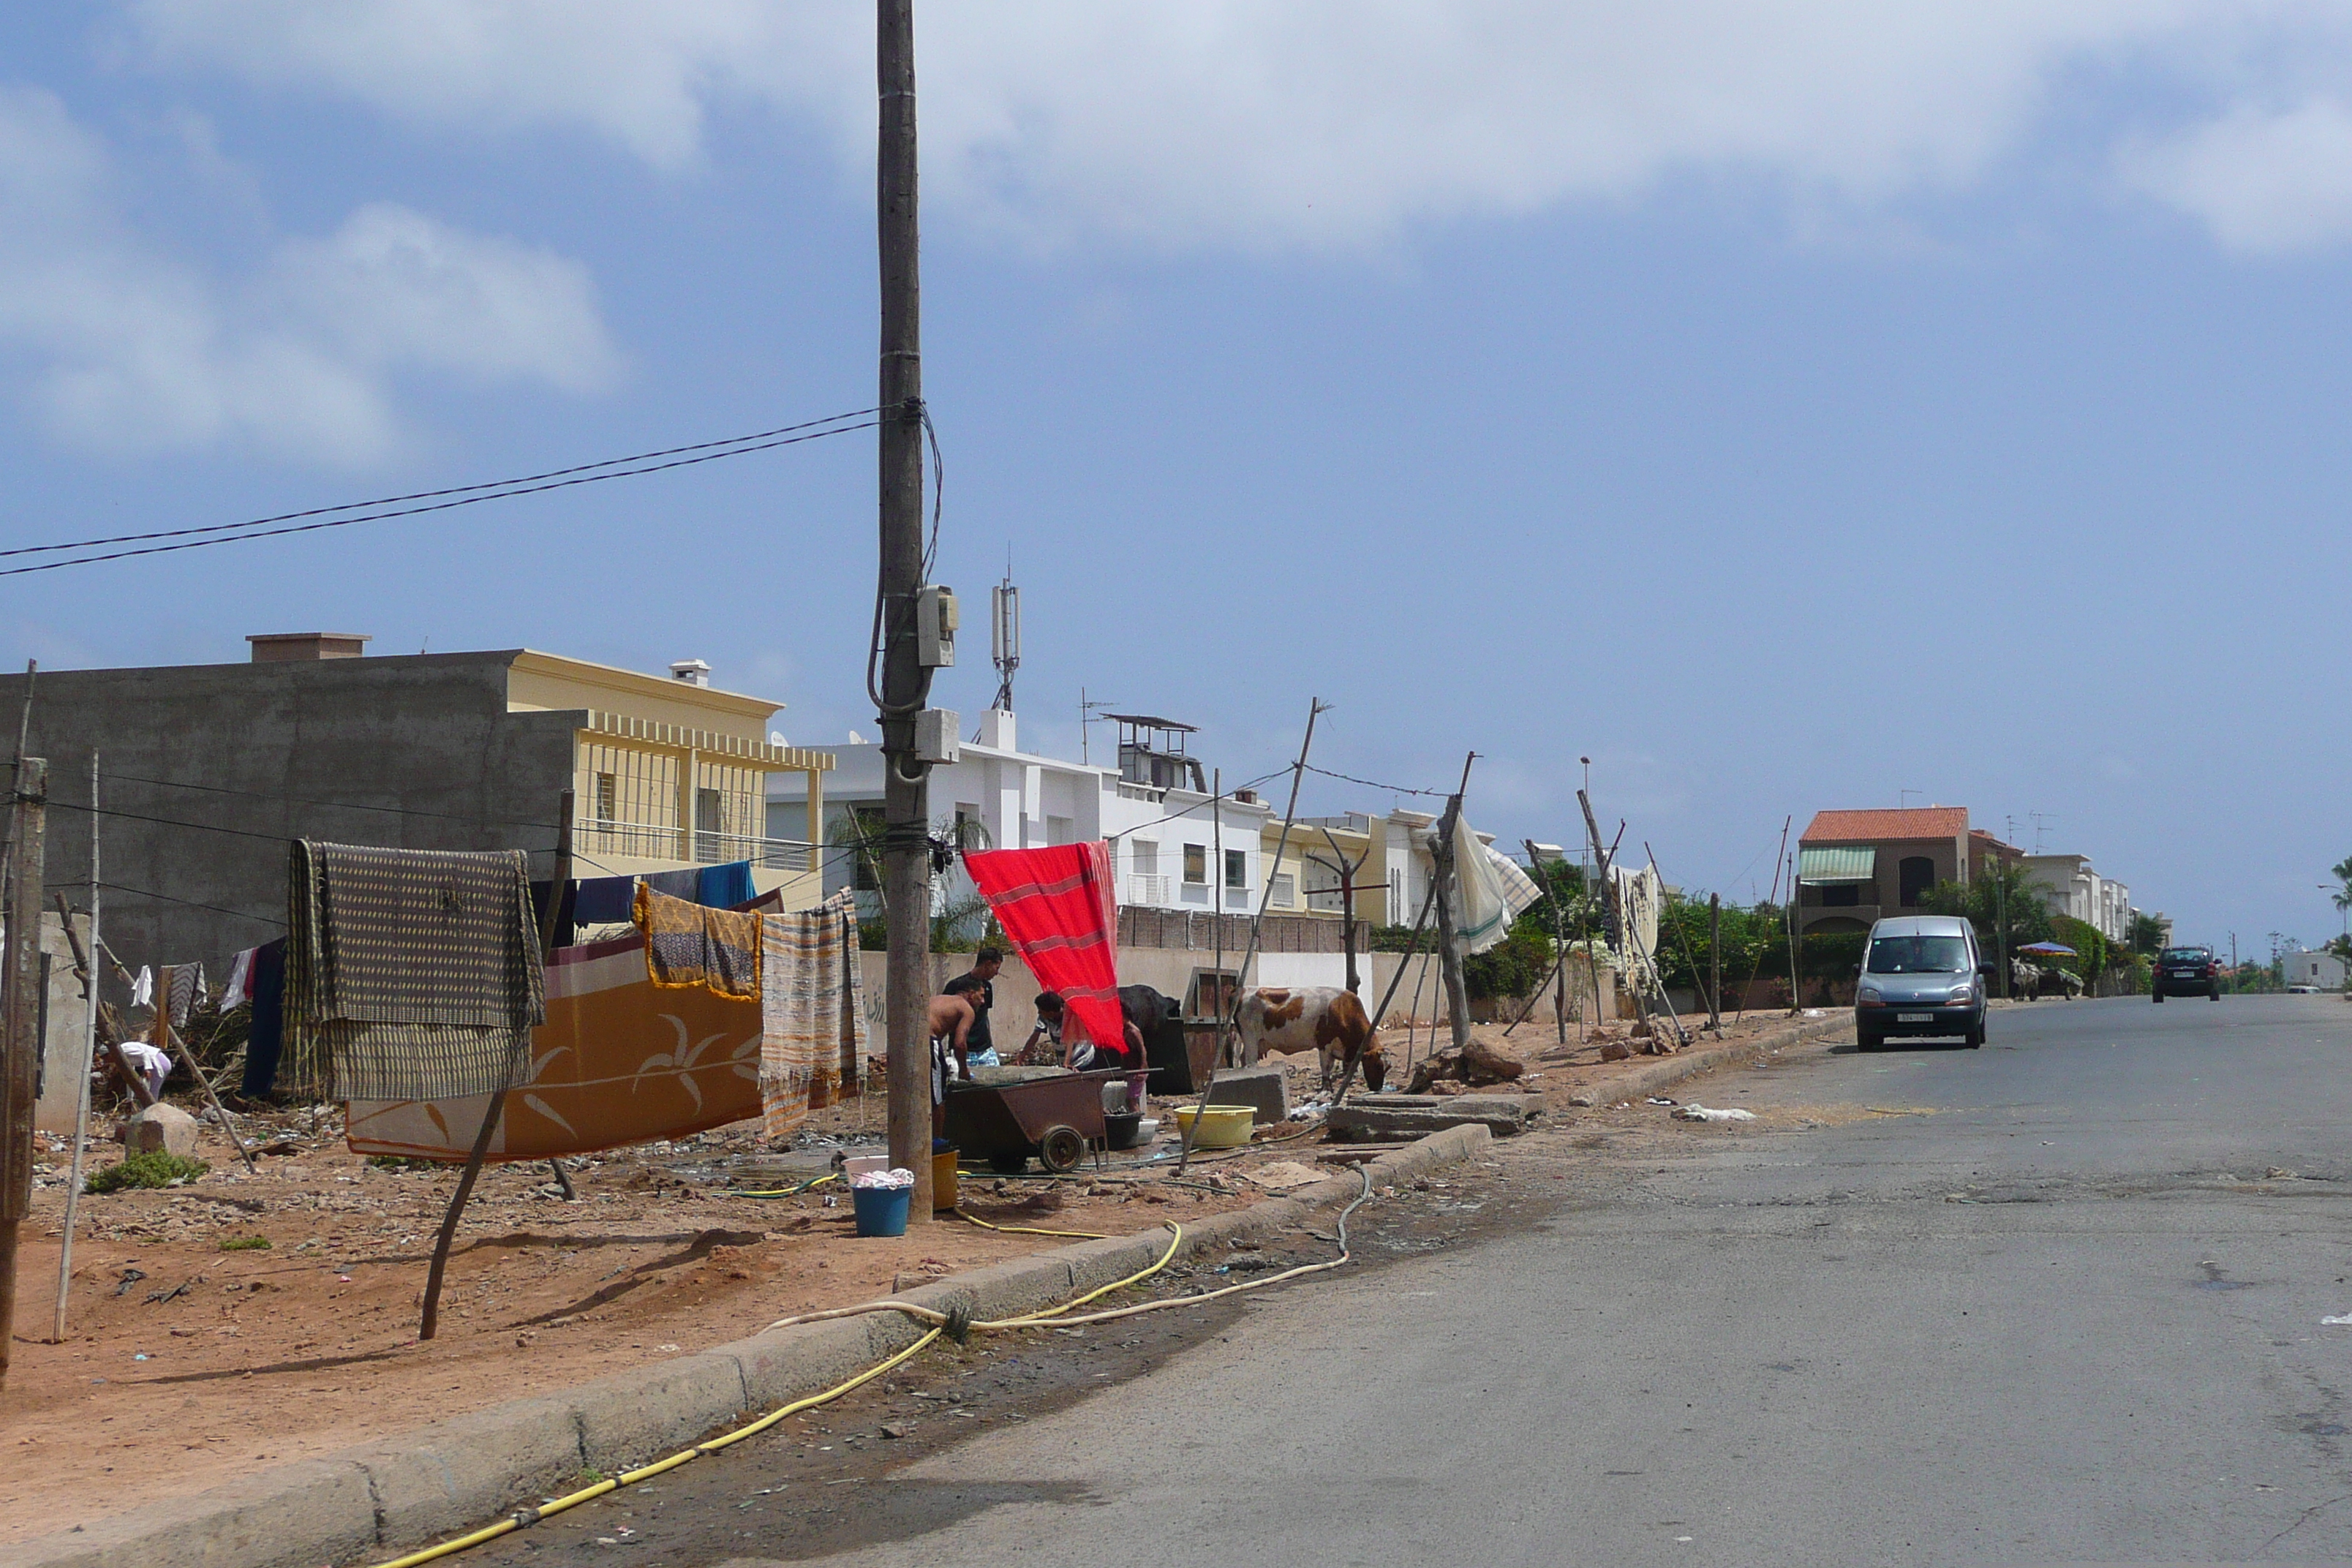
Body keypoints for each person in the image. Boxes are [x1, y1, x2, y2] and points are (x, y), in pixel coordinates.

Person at [1021, 990, 1147, 1073]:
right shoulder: (1044, 1018)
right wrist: (1021, 1057)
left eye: (1041, 1010)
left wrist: (1067, 1063)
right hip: (1065, 1063)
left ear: (1051, 1011)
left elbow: (1070, 1039)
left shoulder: (1072, 1014)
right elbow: (1035, 1037)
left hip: (1082, 1060)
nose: (1039, 1013)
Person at [941, 947, 1005, 1069]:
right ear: (988, 964)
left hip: (985, 1051)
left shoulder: (987, 987)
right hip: (963, 1051)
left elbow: (985, 1017)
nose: (997, 973)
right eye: (996, 968)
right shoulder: (956, 985)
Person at [927, 992, 978, 1136]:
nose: (983, 1001)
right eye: (981, 996)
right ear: (970, 994)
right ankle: (937, 1142)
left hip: (910, 1041)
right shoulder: (966, 1008)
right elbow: (960, 1044)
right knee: (938, 1096)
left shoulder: (939, 1001)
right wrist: (963, 1070)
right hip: (928, 1041)